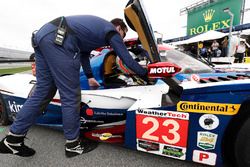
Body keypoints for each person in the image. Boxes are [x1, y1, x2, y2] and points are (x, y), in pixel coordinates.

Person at [0, 16, 148, 158]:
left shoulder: (92, 32)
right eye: (123, 33)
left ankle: (13, 140)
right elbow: (125, 57)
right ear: (118, 27)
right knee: (71, 95)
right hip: (59, 38)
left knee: (43, 92)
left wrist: (90, 77)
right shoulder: (111, 31)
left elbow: (84, 55)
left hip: (45, 35)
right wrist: (146, 73)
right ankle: (73, 145)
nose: (121, 38)